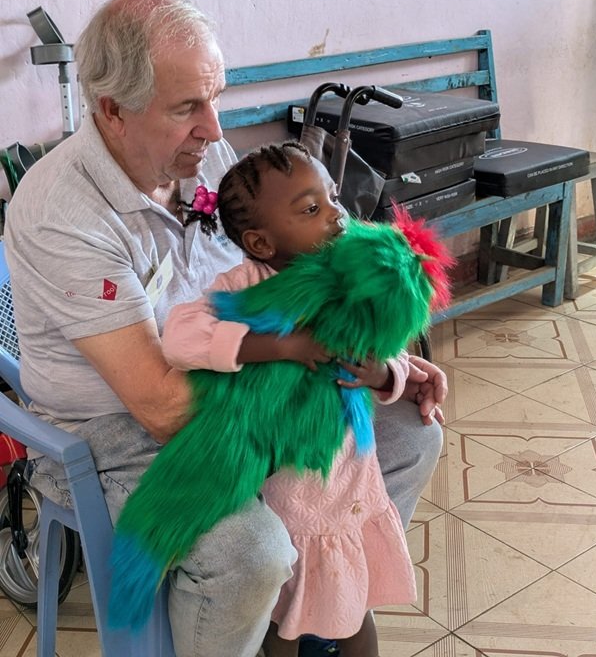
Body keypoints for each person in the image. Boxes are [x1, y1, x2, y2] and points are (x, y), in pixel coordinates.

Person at [3, 0, 447, 657]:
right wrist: (313, 363)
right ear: (112, 111)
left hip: (251, 368)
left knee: (413, 434)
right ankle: (261, 612)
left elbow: (313, 252)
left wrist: (384, 357)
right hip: (117, 429)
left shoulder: (198, 155)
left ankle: (322, 606)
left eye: (215, 97)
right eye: (187, 107)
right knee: (253, 550)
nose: (214, 129)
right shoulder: (62, 209)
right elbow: (157, 404)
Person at [162, 140, 428, 656]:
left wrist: (381, 372)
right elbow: (179, 337)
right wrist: (282, 345)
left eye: (331, 197)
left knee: (356, 609)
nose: (335, 214)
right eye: (310, 209)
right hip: (289, 497)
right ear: (261, 242)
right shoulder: (243, 285)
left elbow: (389, 348)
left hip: (351, 479)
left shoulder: (351, 278)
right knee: (286, 620)